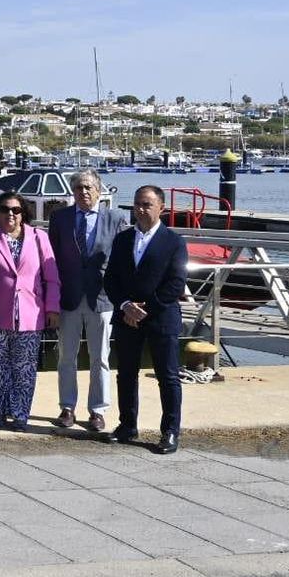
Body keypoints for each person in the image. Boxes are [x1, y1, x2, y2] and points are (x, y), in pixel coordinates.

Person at [104, 185, 189, 455]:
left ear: (161, 208)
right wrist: (126, 306)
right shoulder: (122, 239)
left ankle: (170, 432)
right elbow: (111, 279)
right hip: (127, 318)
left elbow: (175, 283)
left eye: (147, 205)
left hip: (161, 318)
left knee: (168, 376)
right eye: (138, 204)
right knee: (126, 374)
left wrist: (145, 310)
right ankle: (127, 425)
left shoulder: (174, 241)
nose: (141, 210)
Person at [47, 170, 127, 432]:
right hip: (68, 298)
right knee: (66, 357)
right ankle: (67, 407)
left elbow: (122, 259)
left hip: (101, 299)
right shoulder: (60, 219)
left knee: (100, 358)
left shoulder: (115, 218)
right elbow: (52, 260)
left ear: (99, 190)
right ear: (73, 191)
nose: (84, 192)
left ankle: (98, 411)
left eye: (89, 187)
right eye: (79, 187)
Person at [0, 192, 59, 432]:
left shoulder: (39, 237)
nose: (10, 214)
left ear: (24, 213)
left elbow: (52, 277)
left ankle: (21, 415)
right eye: (4, 209)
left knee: (24, 369)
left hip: (31, 315)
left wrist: (52, 308)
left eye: (16, 210)